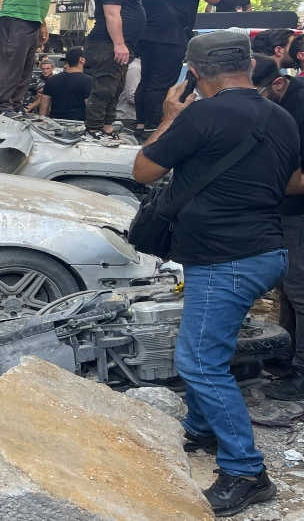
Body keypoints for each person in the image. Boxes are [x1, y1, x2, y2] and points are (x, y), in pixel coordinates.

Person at [133, 31, 299, 517]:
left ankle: (246, 471)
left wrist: (168, 118)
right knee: (210, 345)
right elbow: (291, 180)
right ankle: (202, 429)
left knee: (200, 361)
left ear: (194, 72)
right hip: (263, 250)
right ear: (249, 65)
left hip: (226, 258)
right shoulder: (281, 117)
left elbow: (143, 169)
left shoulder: (202, 113)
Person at [252, 55, 304, 400]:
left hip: (298, 211)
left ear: (279, 83)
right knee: (286, 289)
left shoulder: (299, 109)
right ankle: (284, 357)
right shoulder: (275, 103)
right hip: (281, 208)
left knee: (300, 292)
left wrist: (252, 185)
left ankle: (300, 373)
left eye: (256, 94)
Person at [134, 0, 221, 137]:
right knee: (161, 84)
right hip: (171, 36)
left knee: (146, 82)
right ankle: (153, 127)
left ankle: (141, 124)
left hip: (147, 36)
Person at [84, 0, 145, 137]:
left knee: (114, 89)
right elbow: (111, 14)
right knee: (104, 90)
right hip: (107, 45)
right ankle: (93, 129)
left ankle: (106, 127)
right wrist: (119, 44)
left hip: (116, 47)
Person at [38, 48, 92, 120]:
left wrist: (43, 122)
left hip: (55, 122)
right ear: (81, 59)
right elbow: (90, 107)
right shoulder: (88, 81)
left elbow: (43, 105)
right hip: (78, 123)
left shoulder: (52, 80)